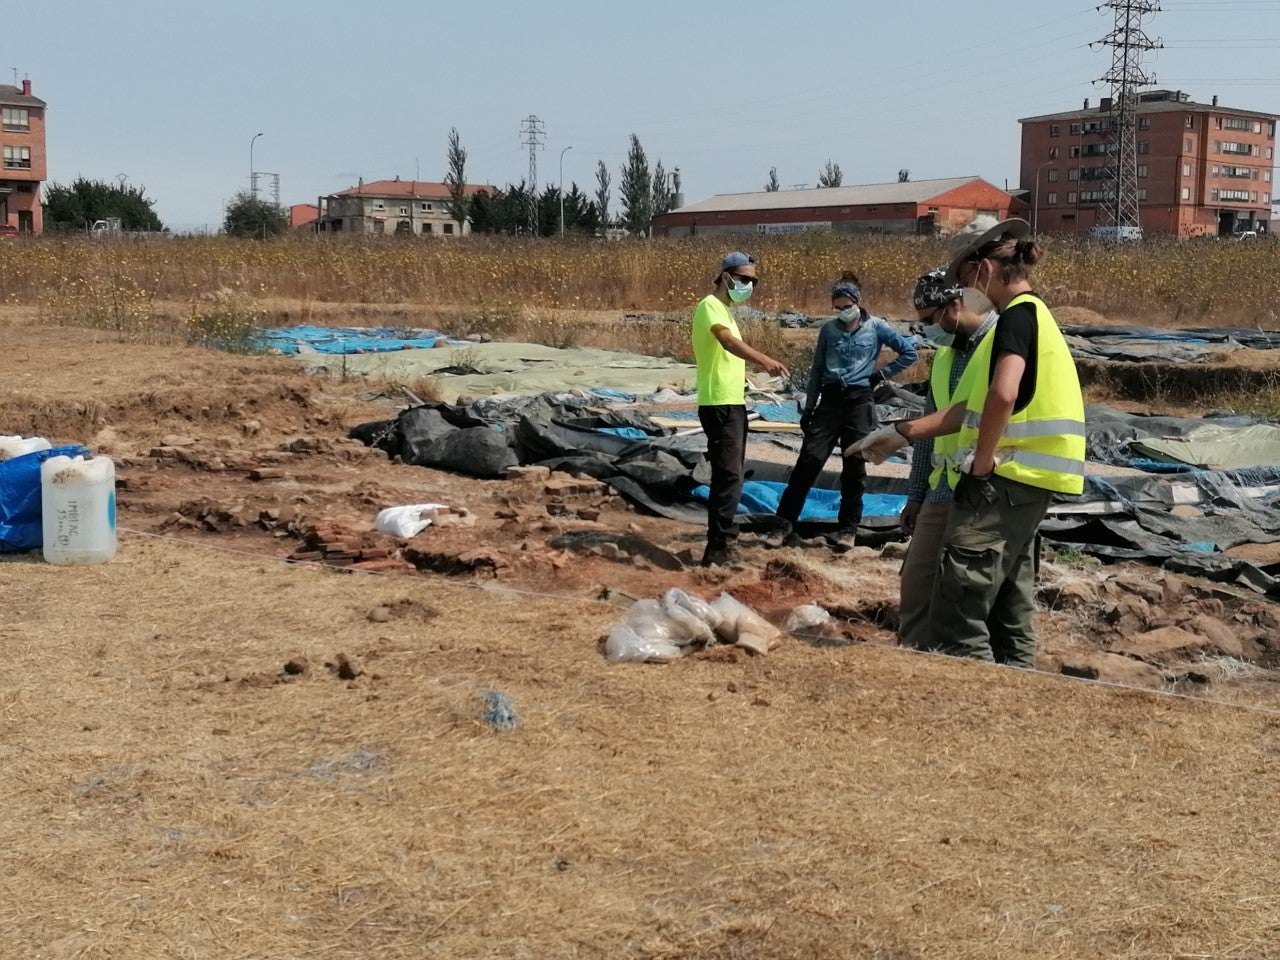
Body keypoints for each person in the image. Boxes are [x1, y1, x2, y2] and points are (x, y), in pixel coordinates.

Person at [854, 217, 1084, 666]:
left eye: (965, 281)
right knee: (1008, 606)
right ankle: (1015, 689)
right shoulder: (1034, 316)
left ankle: (974, 695)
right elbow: (970, 409)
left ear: (981, 272)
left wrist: (981, 462)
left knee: (961, 606)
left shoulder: (1016, 319)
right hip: (1024, 480)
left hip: (1005, 478)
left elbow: (1003, 394)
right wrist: (903, 433)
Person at [774, 272, 918, 550]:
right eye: (837, 307)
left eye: (846, 306)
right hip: (829, 402)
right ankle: (782, 525)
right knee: (808, 462)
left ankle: (847, 529)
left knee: (854, 466)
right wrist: (809, 407)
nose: (842, 312)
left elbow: (909, 353)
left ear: (857, 302)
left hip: (859, 401)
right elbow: (817, 371)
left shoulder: (877, 327)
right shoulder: (828, 330)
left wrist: (881, 375)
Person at [897, 268, 1000, 650]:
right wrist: (916, 494)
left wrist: (900, 433)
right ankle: (915, 653)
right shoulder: (944, 355)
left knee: (965, 591)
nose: (927, 330)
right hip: (943, 488)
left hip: (984, 490)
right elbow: (930, 430)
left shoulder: (1000, 342)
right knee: (918, 580)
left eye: (929, 320)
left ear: (953, 305)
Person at [691, 251, 790, 567]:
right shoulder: (710, 306)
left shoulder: (727, 311)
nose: (748, 285)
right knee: (728, 474)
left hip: (732, 401)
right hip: (718, 402)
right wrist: (765, 361)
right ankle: (720, 546)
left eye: (753, 281)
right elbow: (727, 343)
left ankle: (720, 546)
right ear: (727, 276)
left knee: (731, 474)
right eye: (744, 278)